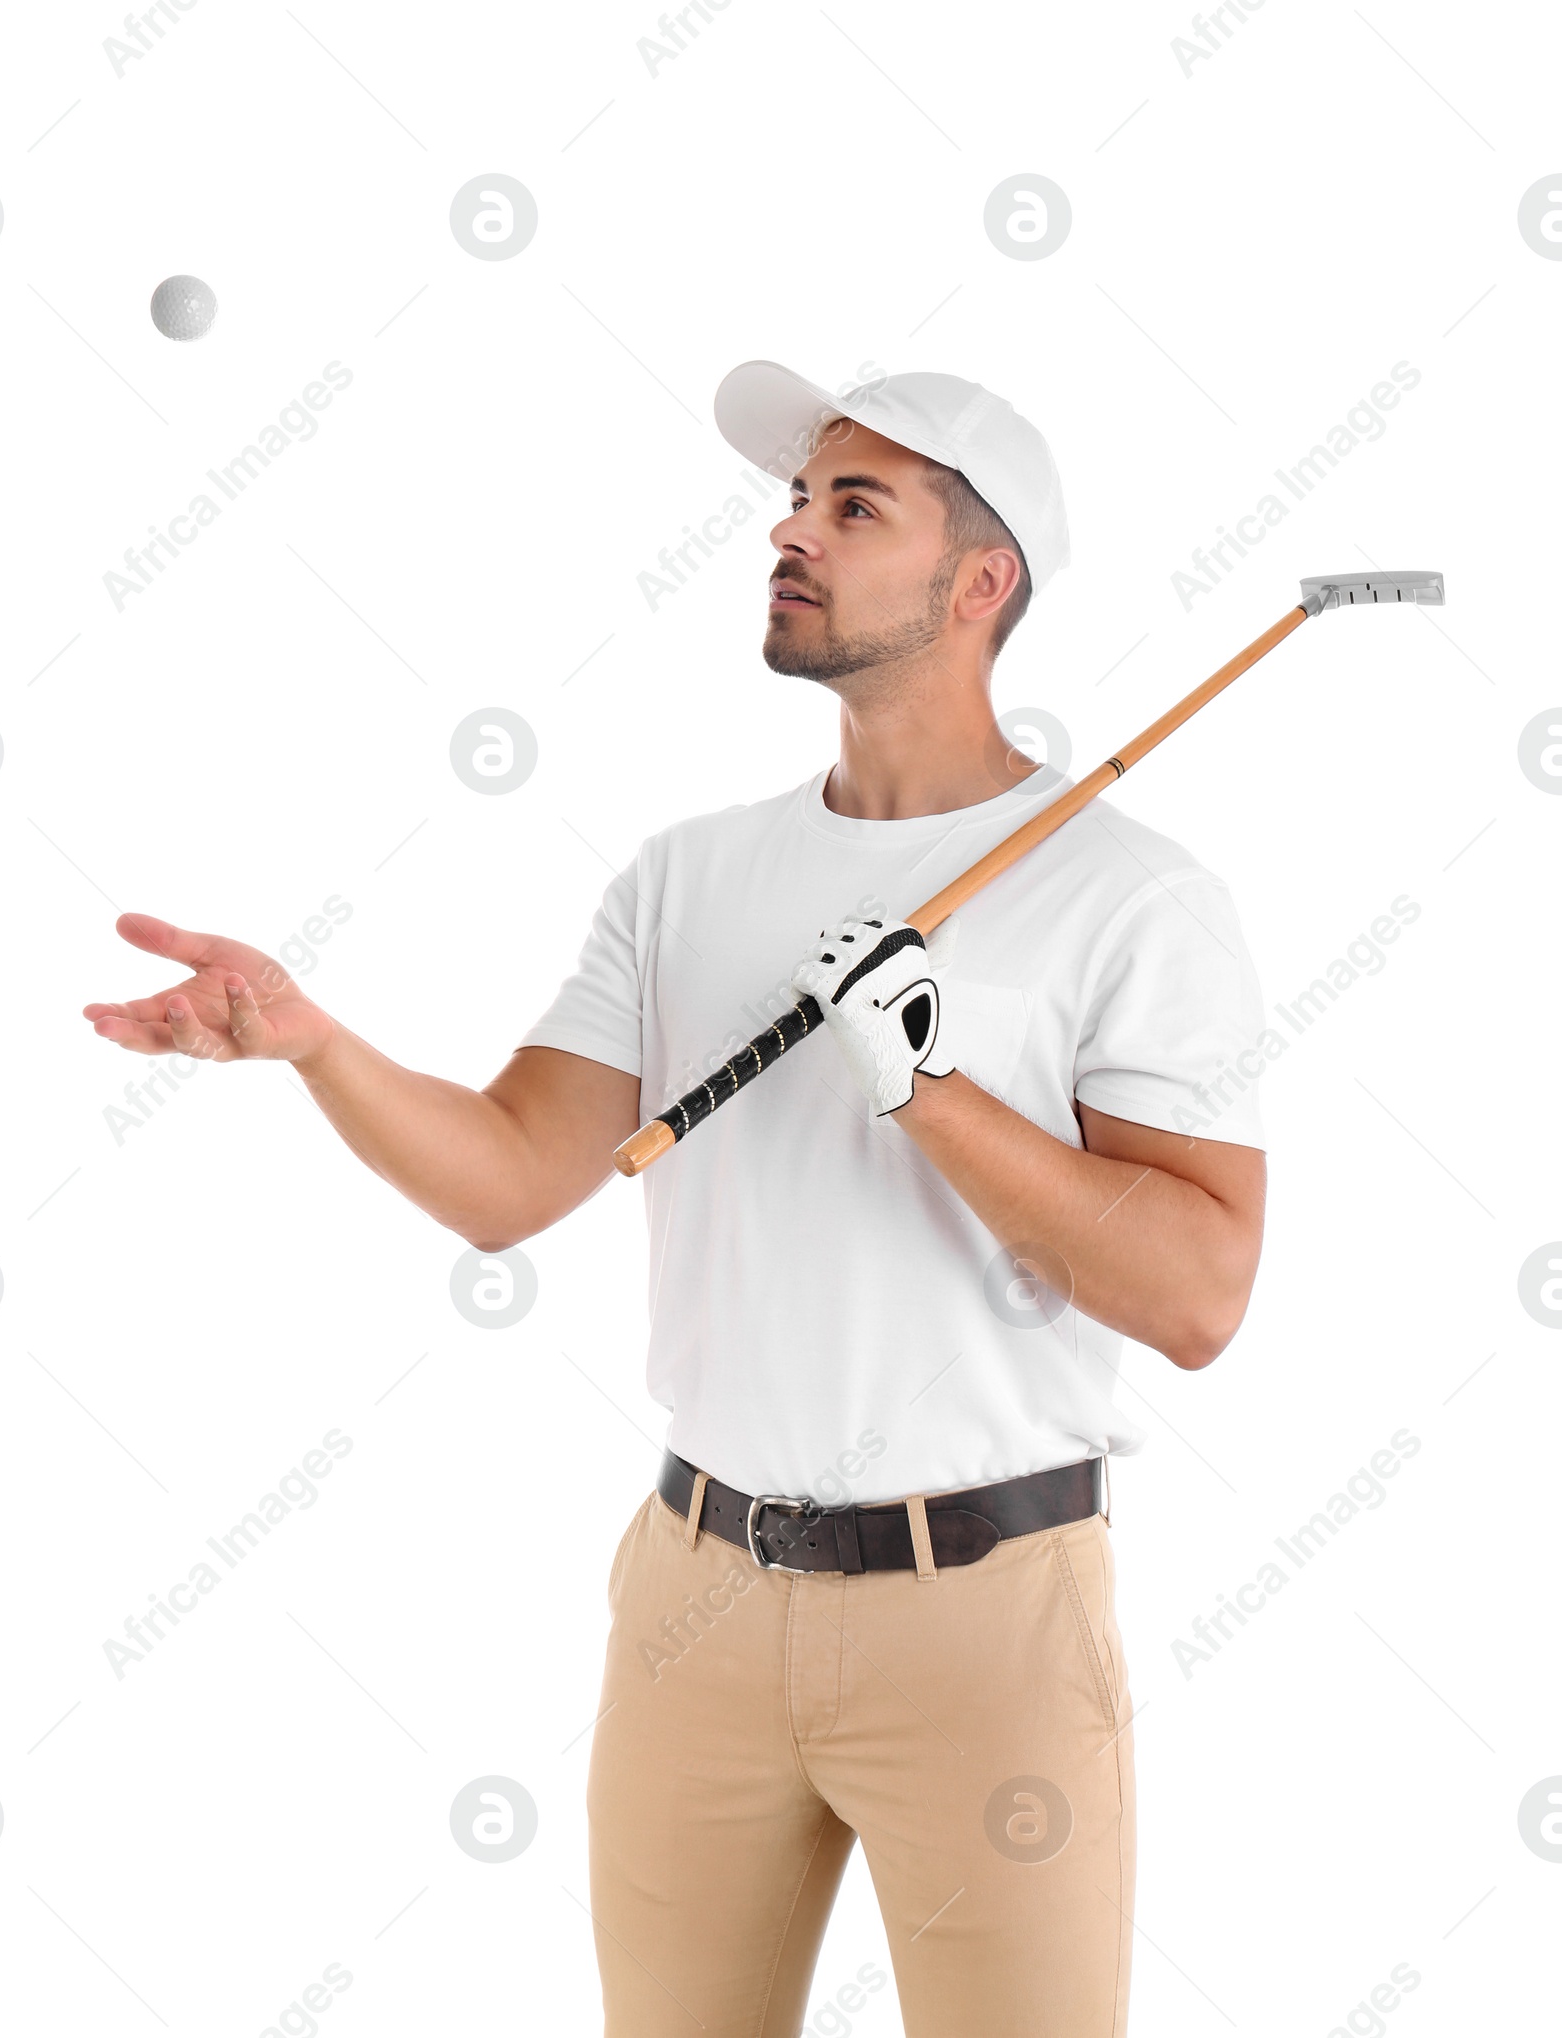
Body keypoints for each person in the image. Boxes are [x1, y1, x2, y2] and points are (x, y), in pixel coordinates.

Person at [84, 361, 1268, 2036]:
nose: (792, 530)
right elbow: (510, 1173)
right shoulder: (689, 876)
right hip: (693, 1600)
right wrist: (311, 1043)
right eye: (795, 500)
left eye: (855, 506)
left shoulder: (1132, 898)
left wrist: (925, 1087)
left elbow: (1201, 1294)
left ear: (980, 582)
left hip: (988, 1625)